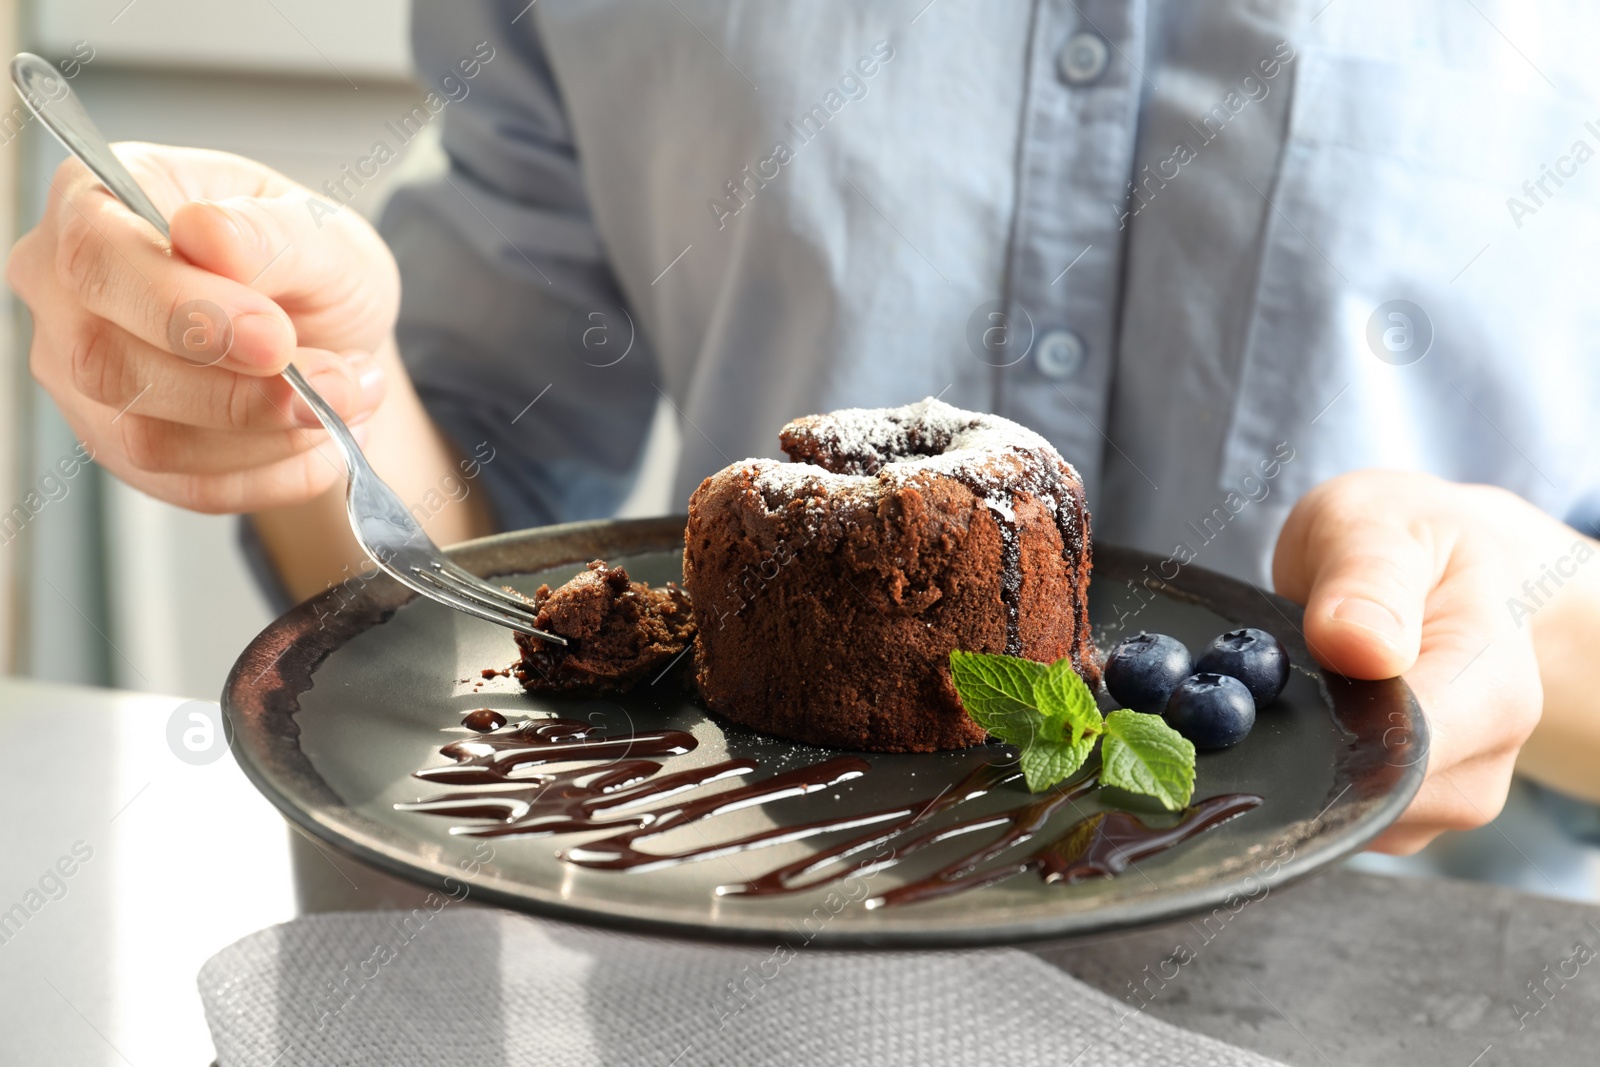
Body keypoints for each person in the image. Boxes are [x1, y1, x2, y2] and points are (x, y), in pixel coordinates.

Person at [8, 1, 1599, 856]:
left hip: (1404, 998)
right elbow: (484, 540)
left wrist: (1539, 612)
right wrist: (318, 388)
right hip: (727, 966)